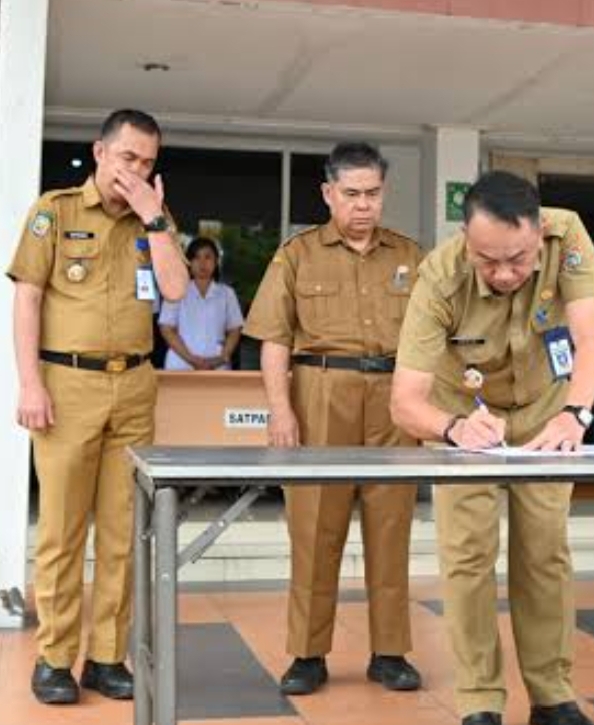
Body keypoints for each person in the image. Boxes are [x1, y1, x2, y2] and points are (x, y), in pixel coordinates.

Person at [390, 170, 594, 725]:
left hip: (546, 412)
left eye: (519, 259)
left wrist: (575, 414)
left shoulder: (567, 235)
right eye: (489, 261)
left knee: (545, 554)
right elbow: (405, 402)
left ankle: (552, 696)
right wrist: (452, 429)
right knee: (468, 557)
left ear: (538, 234)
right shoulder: (439, 276)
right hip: (464, 416)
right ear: (466, 239)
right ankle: (480, 701)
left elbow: (592, 340)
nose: (506, 273)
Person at [8, 109, 188, 704]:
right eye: (127, 157)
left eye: (147, 162)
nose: (135, 170)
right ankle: (55, 659)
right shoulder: (55, 212)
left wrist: (154, 215)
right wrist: (29, 384)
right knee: (62, 530)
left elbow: (176, 289)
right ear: (100, 152)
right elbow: (27, 300)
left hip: (133, 386)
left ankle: (107, 658)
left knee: (122, 532)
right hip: (67, 384)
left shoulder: (154, 218)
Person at [243, 142, 423, 696]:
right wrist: (281, 411)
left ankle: (389, 652)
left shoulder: (411, 256)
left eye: (373, 193)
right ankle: (308, 654)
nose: (364, 205)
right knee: (315, 527)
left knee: (391, 526)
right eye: (352, 194)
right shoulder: (297, 255)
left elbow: (434, 338)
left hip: (393, 398)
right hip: (320, 393)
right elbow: (274, 340)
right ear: (328, 193)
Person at [159, 237, 244, 370]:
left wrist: (223, 357)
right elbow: (166, 328)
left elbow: (235, 329)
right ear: (189, 262)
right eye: (196, 257)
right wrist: (191, 359)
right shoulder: (176, 290)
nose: (202, 263)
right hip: (180, 365)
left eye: (208, 257)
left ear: (216, 261)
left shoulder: (227, 293)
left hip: (217, 365)